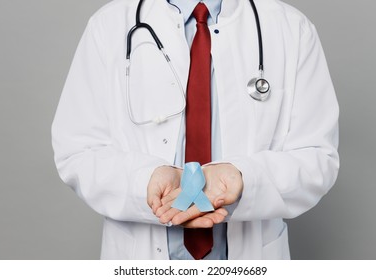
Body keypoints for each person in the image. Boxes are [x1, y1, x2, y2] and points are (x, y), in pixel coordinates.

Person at [52, 0, 339, 260]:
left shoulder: (291, 28)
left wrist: (244, 179)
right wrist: (145, 181)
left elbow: (316, 159)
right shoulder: (109, 25)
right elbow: (78, 152)